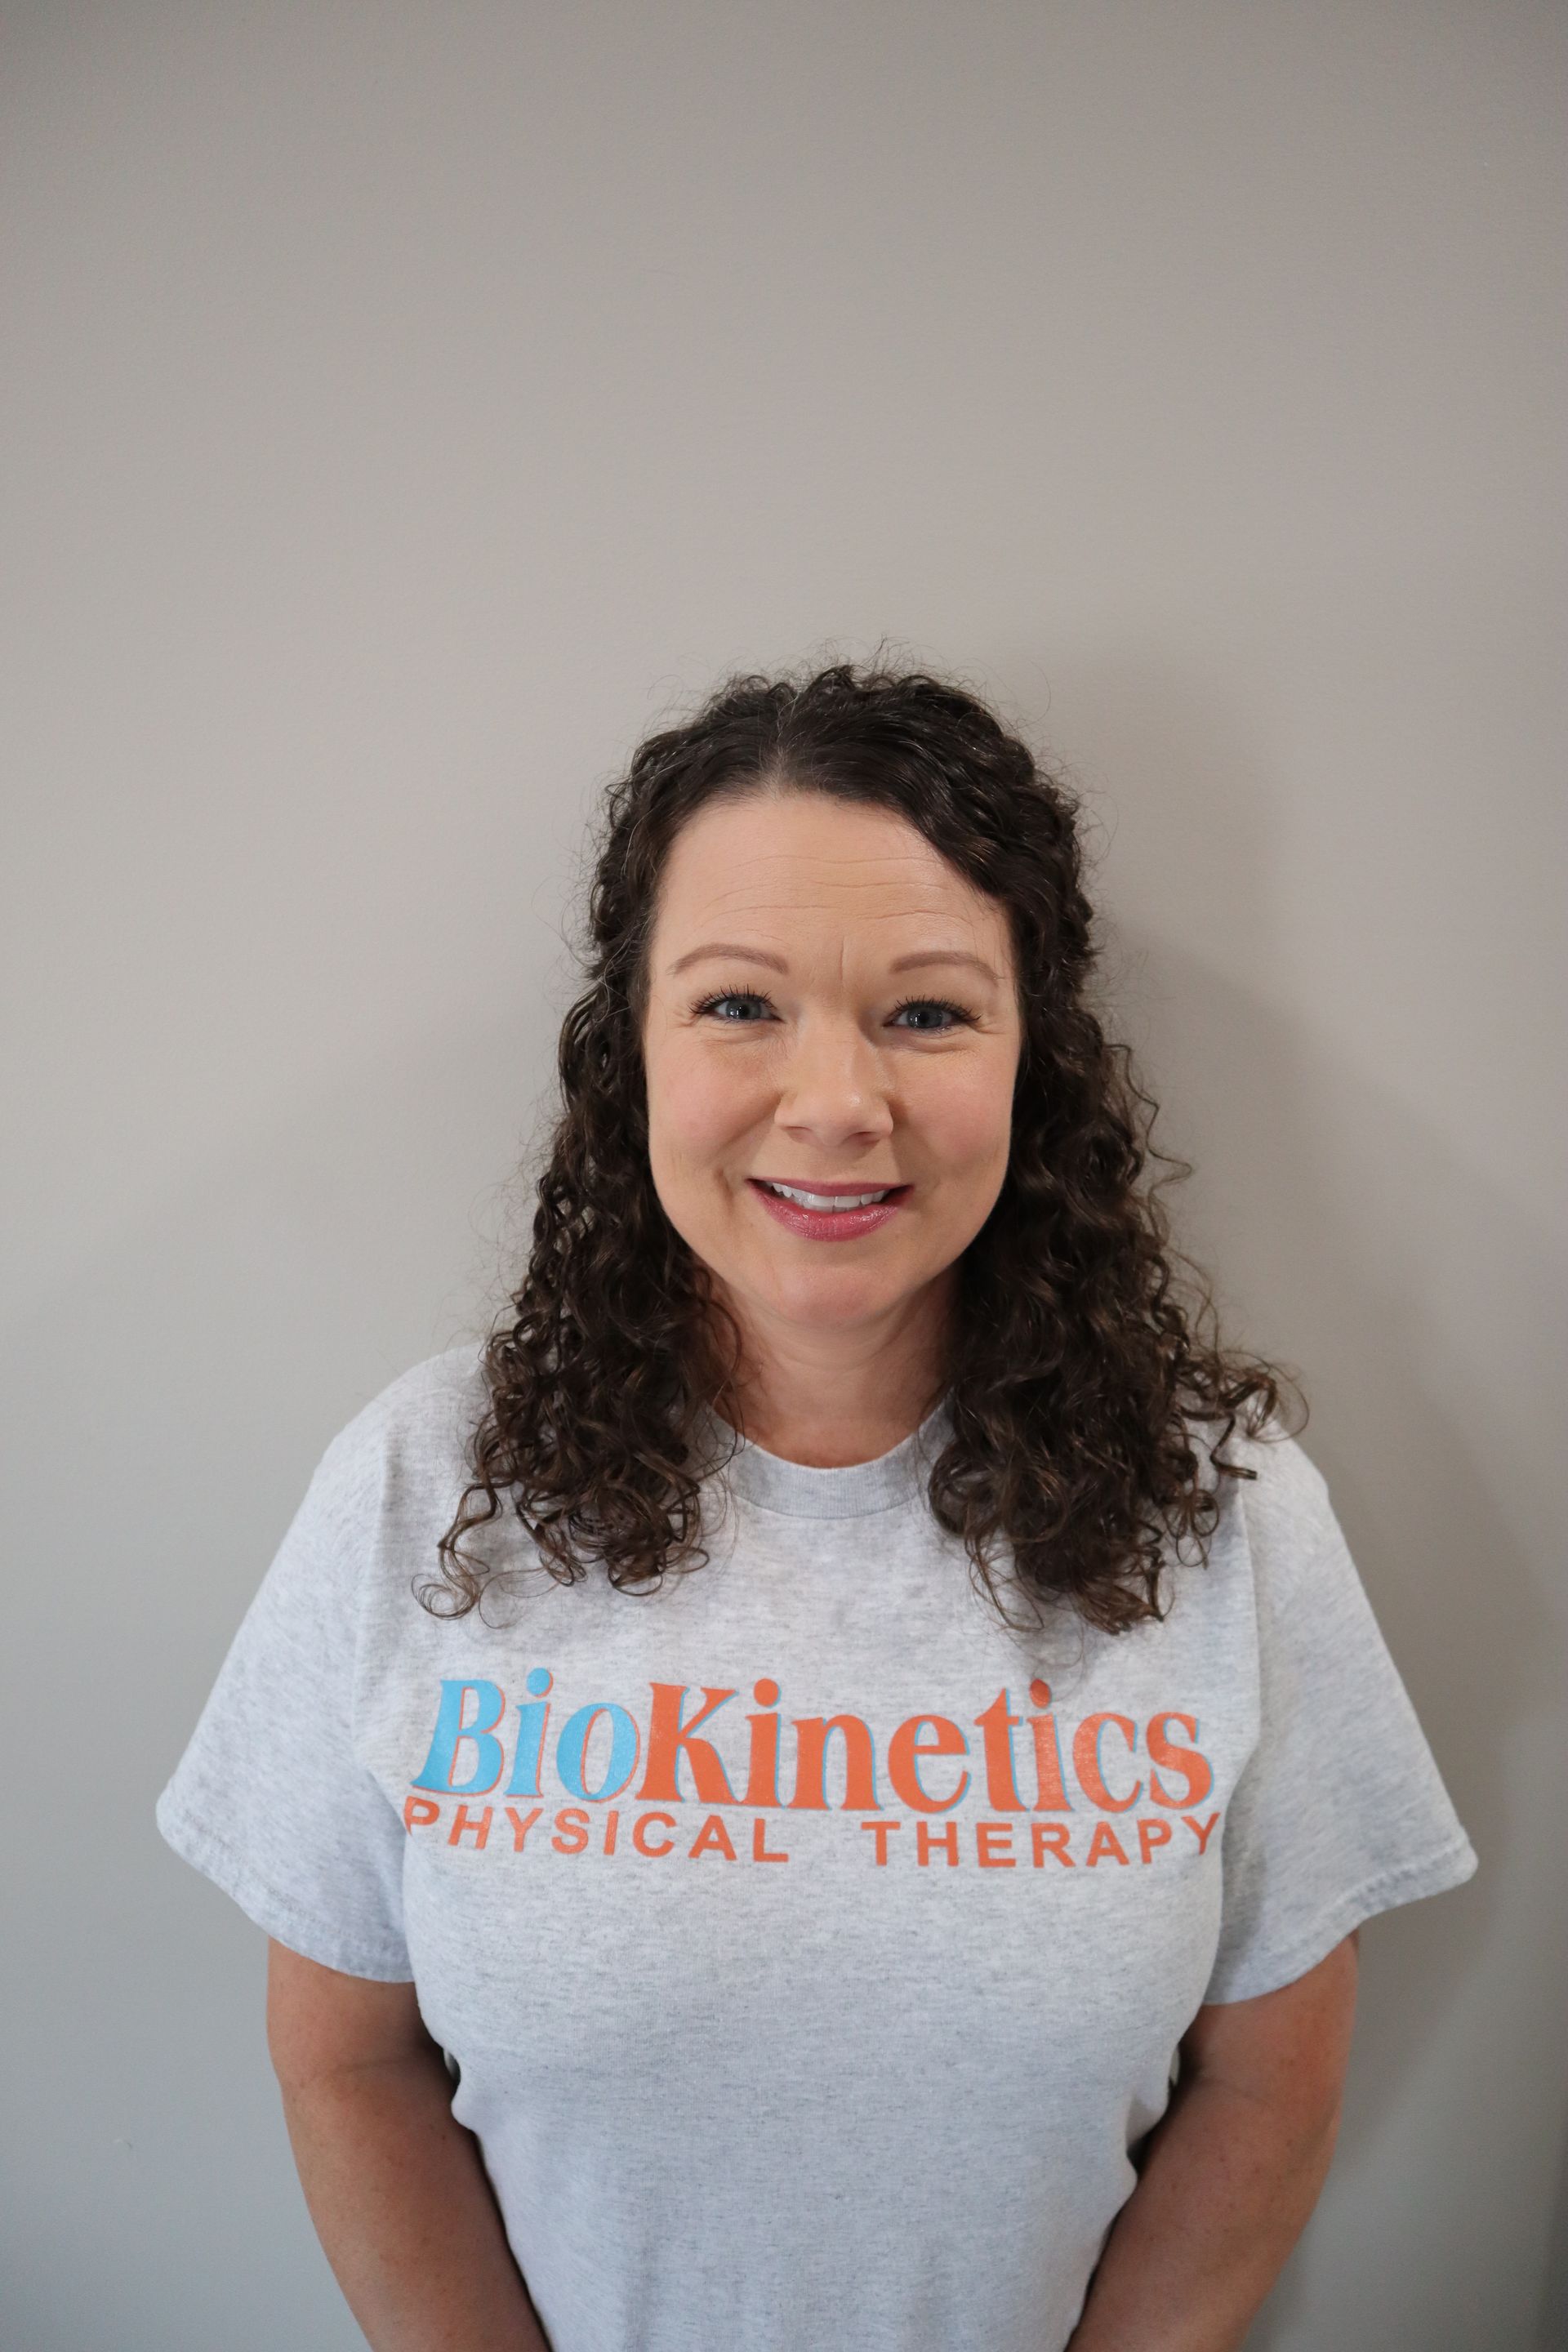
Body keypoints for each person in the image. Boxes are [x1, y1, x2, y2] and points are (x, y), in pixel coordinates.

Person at [155, 658, 1478, 2352]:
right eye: (738, 1005)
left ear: (1033, 1063)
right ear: (629, 1050)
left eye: (928, 1011)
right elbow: (345, 2056)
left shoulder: (1224, 1514)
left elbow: (1270, 2092)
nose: (838, 1101)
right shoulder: (424, 1485)